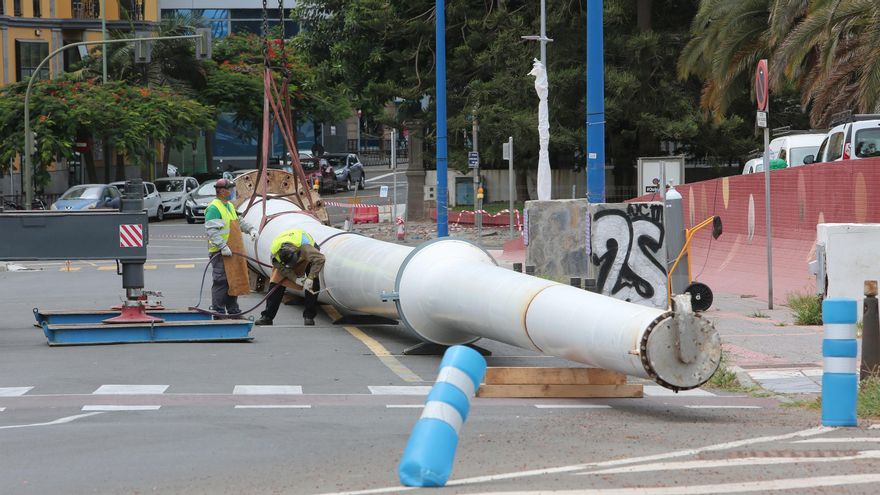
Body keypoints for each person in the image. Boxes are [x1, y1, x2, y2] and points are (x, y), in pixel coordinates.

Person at [205, 178, 257, 315]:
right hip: (220, 252)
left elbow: (238, 221)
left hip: (232, 251)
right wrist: (222, 246)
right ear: (222, 191)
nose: (232, 191)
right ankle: (218, 311)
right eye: (230, 189)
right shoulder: (214, 208)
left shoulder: (228, 206)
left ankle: (233, 310)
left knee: (233, 280)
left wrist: (251, 229)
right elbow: (211, 231)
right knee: (221, 281)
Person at [255, 229, 325, 326]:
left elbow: (320, 259)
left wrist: (310, 278)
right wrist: (295, 279)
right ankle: (267, 317)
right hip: (288, 258)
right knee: (276, 283)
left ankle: (309, 316)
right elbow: (284, 270)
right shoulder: (275, 254)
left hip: (304, 250)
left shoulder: (306, 248)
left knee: (313, 284)